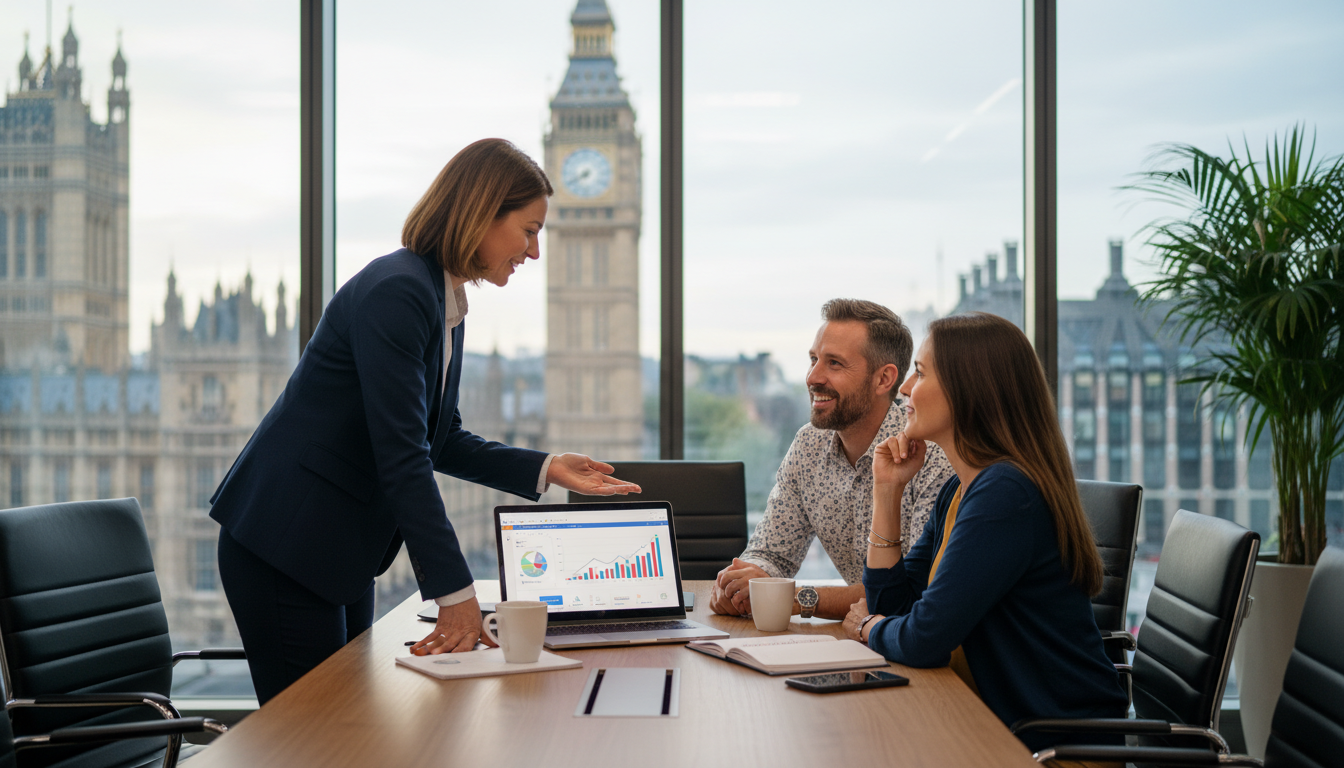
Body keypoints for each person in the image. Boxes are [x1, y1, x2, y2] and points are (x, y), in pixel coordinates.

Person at [208, 139, 639, 705]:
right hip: (285, 543)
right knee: (312, 740)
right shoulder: (399, 291)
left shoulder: (443, 300)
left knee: (348, 730)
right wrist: (454, 593)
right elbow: (403, 455)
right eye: (529, 230)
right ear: (483, 214)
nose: (534, 252)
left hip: (336, 548)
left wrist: (547, 467)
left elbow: (442, 439)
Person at [842, 312, 1127, 755]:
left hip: (1054, 751)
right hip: (998, 727)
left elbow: (922, 640)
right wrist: (887, 492)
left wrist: (868, 627)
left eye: (920, 373)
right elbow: (897, 605)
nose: (905, 390)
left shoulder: (1005, 494)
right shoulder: (962, 489)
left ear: (967, 389)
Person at [709, 299, 954, 620]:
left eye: (834, 363)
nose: (812, 377)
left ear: (884, 379)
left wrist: (792, 597)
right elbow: (771, 553)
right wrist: (742, 582)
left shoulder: (931, 453)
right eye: (813, 359)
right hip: (861, 636)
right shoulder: (809, 444)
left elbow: (909, 591)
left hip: (911, 643)